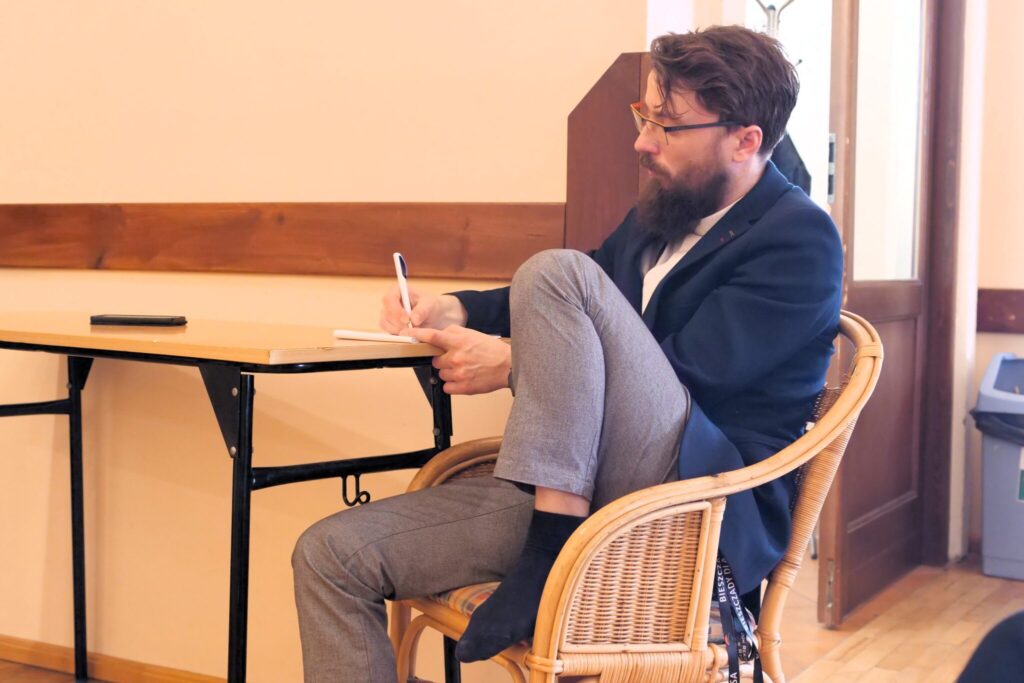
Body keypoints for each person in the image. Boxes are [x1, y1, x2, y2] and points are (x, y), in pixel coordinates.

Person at [292, 25, 843, 682]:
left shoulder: (800, 239)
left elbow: (688, 373)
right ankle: (552, 540)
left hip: (693, 506)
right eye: (644, 116)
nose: (642, 142)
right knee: (329, 554)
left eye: (667, 126)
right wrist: (458, 308)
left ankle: (550, 550)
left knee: (556, 270)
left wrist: (511, 365)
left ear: (746, 140)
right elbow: (571, 309)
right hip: (578, 484)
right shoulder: (664, 214)